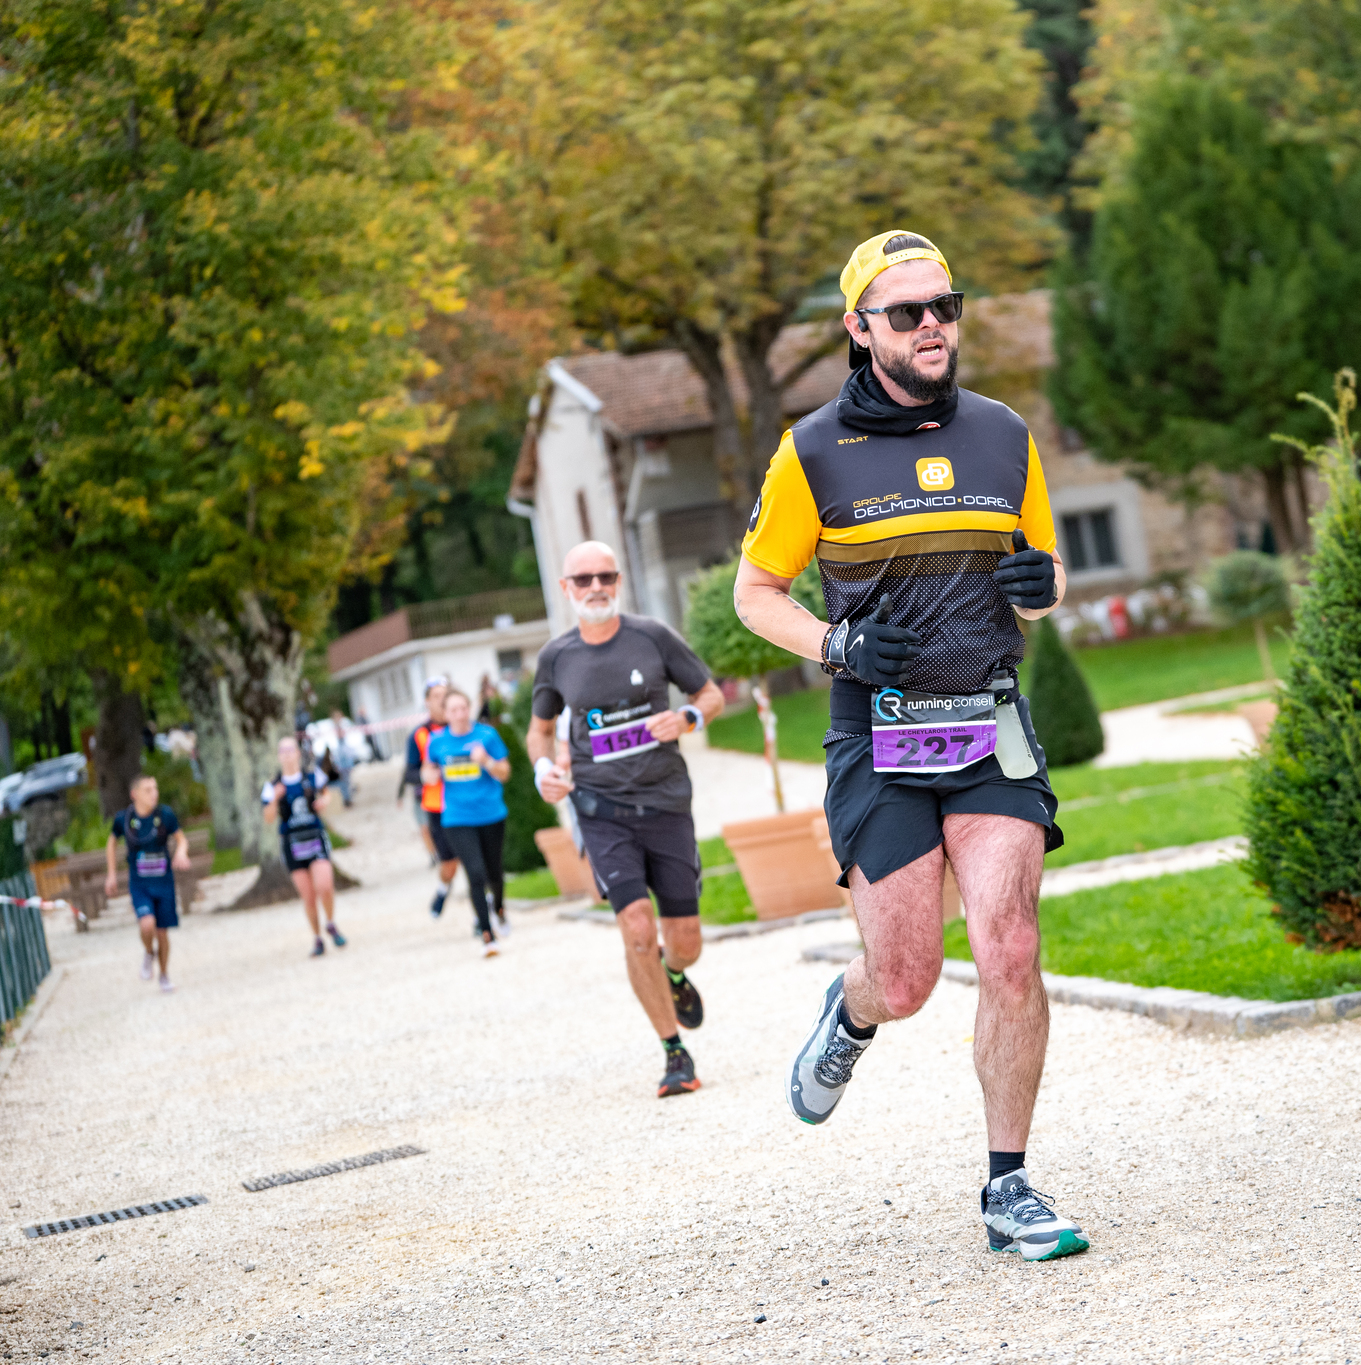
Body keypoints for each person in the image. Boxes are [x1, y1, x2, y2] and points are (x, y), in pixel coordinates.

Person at [732, 230, 1087, 1261]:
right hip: (877, 733)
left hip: (987, 722)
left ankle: (1008, 1186)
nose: (933, 324)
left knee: (1010, 947)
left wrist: (1044, 586)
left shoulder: (1003, 433)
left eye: (945, 305)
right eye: (907, 312)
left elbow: (1043, 573)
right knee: (906, 978)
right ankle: (849, 1014)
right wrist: (835, 643)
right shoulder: (810, 451)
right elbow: (756, 591)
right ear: (859, 328)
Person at [527, 541, 724, 1098]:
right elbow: (540, 731)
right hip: (601, 810)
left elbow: (709, 694)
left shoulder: (652, 636)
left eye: (605, 576)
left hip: (665, 803)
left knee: (685, 940)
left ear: (617, 581)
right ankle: (674, 1052)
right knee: (637, 928)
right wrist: (544, 770)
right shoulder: (556, 657)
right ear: (566, 588)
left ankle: (674, 971)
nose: (595, 587)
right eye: (583, 579)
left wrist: (687, 717)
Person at [424, 689, 513, 956]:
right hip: (457, 817)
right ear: (445, 713)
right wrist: (429, 776)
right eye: (454, 710)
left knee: (494, 872)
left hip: (490, 813)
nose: (460, 714)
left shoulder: (487, 736)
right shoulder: (437, 741)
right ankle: (487, 935)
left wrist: (486, 761)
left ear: (470, 708)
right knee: (475, 873)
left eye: (463, 708)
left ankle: (499, 908)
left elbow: (505, 772)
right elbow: (427, 770)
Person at [105, 773, 190, 993]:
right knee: (147, 924)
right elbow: (111, 843)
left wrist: (181, 852)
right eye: (148, 790)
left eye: (155, 789)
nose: (154, 794)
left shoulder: (165, 815)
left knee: (162, 933)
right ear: (135, 794)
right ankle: (148, 952)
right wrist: (111, 874)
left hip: (164, 883)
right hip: (140, 884)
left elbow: (181, 839)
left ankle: (164, 974)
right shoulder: (124, 819)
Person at [262, 737, 347, 957]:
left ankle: (330, 922)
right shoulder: (272, 786)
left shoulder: (312, 776)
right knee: (308, 896)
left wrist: (324, 801)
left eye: (290, 750)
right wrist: (275, 799)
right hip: (292, 843)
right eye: (283, 751)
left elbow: (327, 793)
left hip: (314, 836)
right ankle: (317, 937)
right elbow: (268, 818)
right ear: (279, 755)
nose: (287, 754)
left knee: (325, 885)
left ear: (298, 753)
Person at [399, 679, 460, 919]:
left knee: (475, 863)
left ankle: (483, 917)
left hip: (467, 803)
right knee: (449, 864)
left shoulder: (463, 727)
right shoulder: (419, 735)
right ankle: (443, 888)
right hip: (437, 807)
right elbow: (409, 773)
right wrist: (424, 776)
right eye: (436, 696)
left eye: (445, 694)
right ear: (427, 702)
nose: (441, 700)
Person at [326, 709, 358, 807]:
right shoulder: (333, 732)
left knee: (347, 781)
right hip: (341, 762)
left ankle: (348, 798)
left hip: (345, 762)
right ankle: (346, 799)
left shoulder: (344, 729)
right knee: (344, 781)